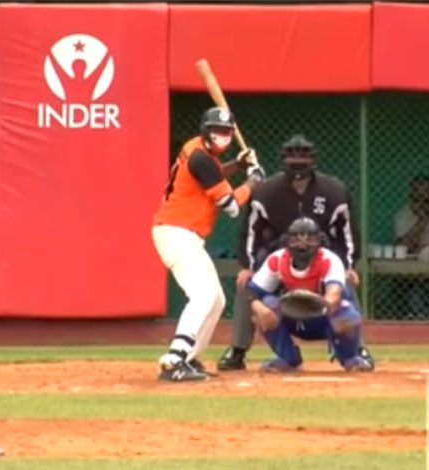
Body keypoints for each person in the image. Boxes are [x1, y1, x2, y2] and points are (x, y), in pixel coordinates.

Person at [217, 134, 374, 371]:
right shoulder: (266, 191)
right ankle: (238, 349)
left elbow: (348, 232)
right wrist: (247, 266)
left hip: (322, 256)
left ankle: (356, 349)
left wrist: (349, 264)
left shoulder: (334, 191)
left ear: (313, 161)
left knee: (346, 285)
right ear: (283, 160)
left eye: (303, 156)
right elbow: (251, 231)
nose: (297, 162)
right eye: (292, 156)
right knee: (248, 286)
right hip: (280, 256)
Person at [152, 106, 266, 382]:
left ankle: (188, 358)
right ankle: (174, 360)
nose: (223, 136)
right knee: (202, 295)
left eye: (227, 132)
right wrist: (253, 181)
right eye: (218, 131)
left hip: (185, 235)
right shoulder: (202, 159)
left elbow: (211, 178)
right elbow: (230, 206)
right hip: (176, 233)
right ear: (206, 131)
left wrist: (237, 166)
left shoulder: (202, 154)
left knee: (217, 299)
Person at [247, 217, 373, 372]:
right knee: (266, 305)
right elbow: (252, 290)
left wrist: (318, 305)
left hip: (323, 319)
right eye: (296, 240)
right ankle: (288, 359)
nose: (303, 245)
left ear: (320, 241)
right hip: (292, 316)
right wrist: (259, 307)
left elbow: (334, 292)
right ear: (286, 241)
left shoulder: (329, 259)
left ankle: (350, 358)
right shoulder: (277, 259)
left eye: (310, 240)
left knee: (347, 314)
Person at [394, 175, 429, 318]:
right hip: (412, 266)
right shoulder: (403, 214)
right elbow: (404, 246)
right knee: (407, 286)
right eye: (417, 195)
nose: (421, 200)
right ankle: (412, 316)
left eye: (425, 194)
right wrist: (422, 220)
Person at [395, 175, 429, 257]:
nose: (422, 195)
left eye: (426, 191)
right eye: (417, 192)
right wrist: (423, 220)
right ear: (411, 194)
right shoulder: (403, 214)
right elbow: (402, 247)